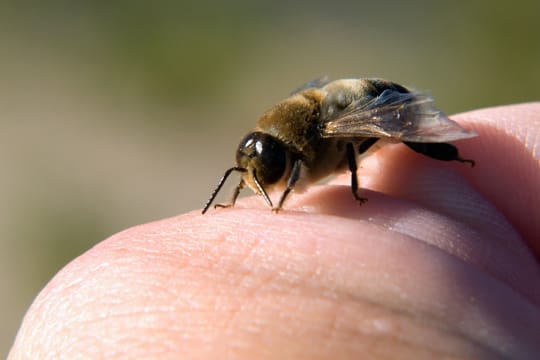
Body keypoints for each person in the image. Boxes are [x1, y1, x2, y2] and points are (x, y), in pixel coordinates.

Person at [9, 104, 540, 359]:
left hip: (369, 104)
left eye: (262, 171)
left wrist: (356, 193)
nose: (255, 179)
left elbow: (352, 142)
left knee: (381, 139)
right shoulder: (275, 144)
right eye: (247, 174)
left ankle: (456, 154)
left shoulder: (325, 137)